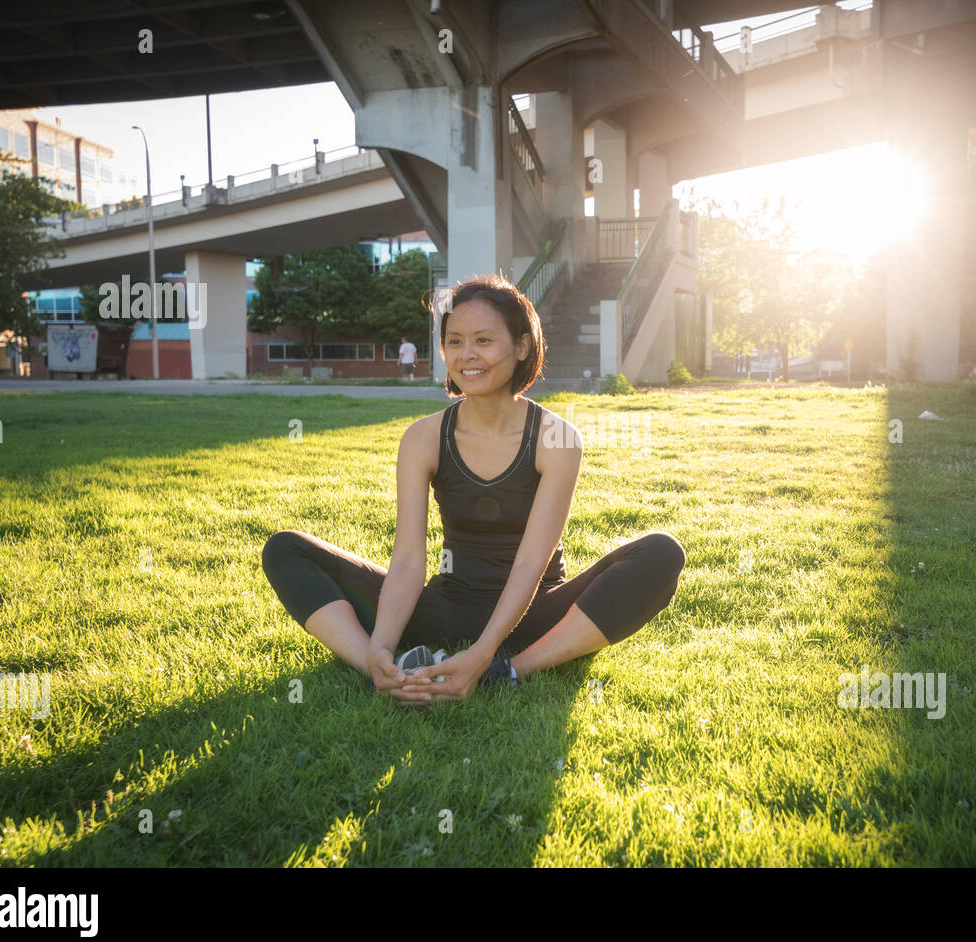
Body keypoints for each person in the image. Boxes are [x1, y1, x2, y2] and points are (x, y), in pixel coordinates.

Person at [261, 273, 686, 706]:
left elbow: (530, 562)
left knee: (661, 553)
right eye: (455, 341)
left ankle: (508, 671)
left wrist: (485, 655)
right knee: (285, 548)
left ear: (521, 347)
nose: (467, 356)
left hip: (534, 616)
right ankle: (380, 671)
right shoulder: (423, 438)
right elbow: (408, 560)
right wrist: (381, 649)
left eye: (483, 340)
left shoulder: (557, 438)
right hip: (445, 609)